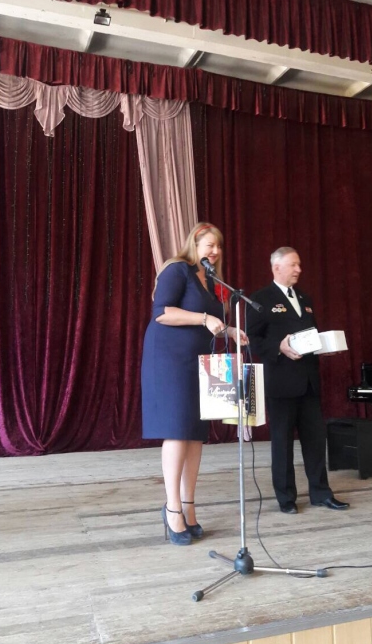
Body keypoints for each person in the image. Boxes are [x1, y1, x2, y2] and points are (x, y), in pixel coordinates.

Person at [141, 222, 247, 545]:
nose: (215, 251)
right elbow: (162, 313)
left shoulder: (211, 280)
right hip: (170, 360)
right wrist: (203, 318)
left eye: (218, 246)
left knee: (196, 434)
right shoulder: (178, 270)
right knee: (178, 430)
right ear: (195, 245)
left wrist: (230, 331)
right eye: (209, 245)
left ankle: (188, 505)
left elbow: (213, 322)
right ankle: (172, 507)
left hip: (200, 362)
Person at [246, 247, 349, 514]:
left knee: (315, 441)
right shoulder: (260, 299)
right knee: (282, 444)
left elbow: (310, 336)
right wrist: (277, 347)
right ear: (276, 267)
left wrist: (325, 347)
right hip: (281, 382)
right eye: (293, 265)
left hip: (309, 382)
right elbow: (252, 340)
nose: (298, 270)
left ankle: (321, 493)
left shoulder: (305, 298)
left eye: (299, 264)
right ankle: (286, 498)